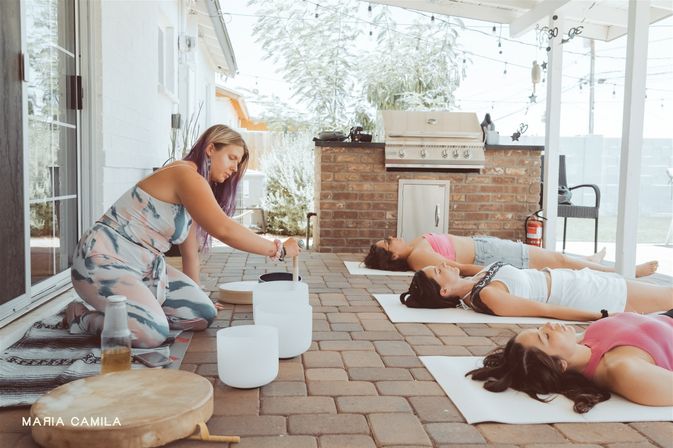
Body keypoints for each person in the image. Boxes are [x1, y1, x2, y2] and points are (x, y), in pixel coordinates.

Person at [67, 124, 300, 348]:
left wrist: (198, 294)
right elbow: (224, 230)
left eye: (238, 163)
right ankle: (82, 317)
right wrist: (276, 249)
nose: (234, 169)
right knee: (153, 334)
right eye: (232, 158)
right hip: (103, 260)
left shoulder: (195, 188)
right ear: (211, 149)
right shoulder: (184, 175)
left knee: (202, 314)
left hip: (146, 267)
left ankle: (133, 312)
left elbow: (191, 254)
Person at [467, 311, 673, 413]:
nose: (547, 325)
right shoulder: (622, 370)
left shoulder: (584, 341)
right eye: (545, 337)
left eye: (540, 330)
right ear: (560, 365)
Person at [400, 261, 672, 321]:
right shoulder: (486, 295)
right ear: (444, 290)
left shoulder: (476, 280)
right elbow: (545, 311)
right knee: (666, 296)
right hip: (586, 294)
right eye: (437, 271)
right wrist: (602, 316)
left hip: (575, 279)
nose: (443, 265)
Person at [364, 233, 658, 277]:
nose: (394, 236)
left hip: (484, 244)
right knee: (556, 261)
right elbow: (459, 267)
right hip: (487, 254)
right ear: (392, 257)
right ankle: (624, 272)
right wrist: (496, 271)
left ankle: (592, 263)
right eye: (390, 241)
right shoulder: (417, 259)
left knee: (553, 256)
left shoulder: (415, 246)